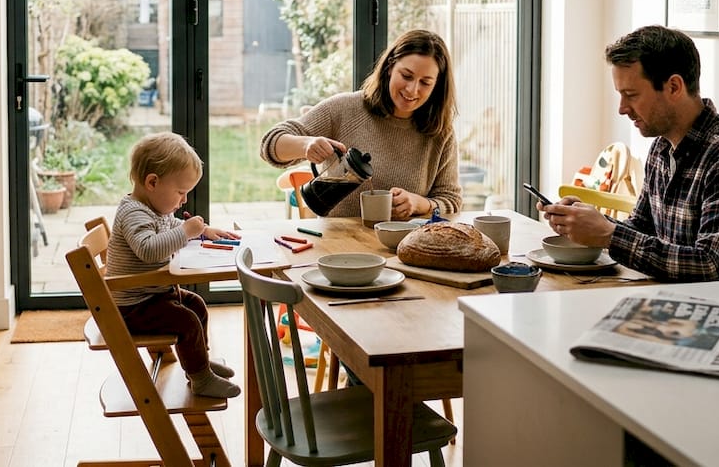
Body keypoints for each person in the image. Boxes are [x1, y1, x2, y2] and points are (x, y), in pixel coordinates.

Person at [538, 25, 719, 282]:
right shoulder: (662, 147)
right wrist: (588, 221)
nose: (622, 108)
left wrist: (608, 235)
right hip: (671, 297)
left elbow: (712, 267)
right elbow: (642, 228)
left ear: (674, 87)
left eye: (631, 95)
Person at [260, 28, 463, 219]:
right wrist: (306, 145)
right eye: (406, 76)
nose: (412, 89)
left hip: (405, 243)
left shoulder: (440, 132)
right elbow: (270, 145)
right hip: (338, 241)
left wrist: (422, 204)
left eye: (425, 82)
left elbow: (452, 201)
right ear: (390, 67)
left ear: (437, 85)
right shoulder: (345, 109)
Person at [106, 132, 242, 399]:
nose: (184, 200)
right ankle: (201, 379)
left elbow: (171, 225)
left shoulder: (154, 209)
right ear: (152, 182)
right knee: (186, 321)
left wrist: (204, 231)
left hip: (152, 295)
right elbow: (149, 249)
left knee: (196, 305)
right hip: (133, 308)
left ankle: (200, 363)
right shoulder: (133, 213)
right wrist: (186, 233)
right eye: (181, 192)